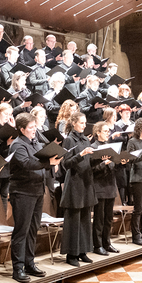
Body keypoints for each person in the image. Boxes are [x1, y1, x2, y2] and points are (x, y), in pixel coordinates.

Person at [8, 112, 61, 283]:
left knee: (32, 229)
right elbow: (27, 163)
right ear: (21, 129)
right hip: (22, 192)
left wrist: (54, 160)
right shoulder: (17, 145)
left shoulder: (36, 142)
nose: (34, 130)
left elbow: (42, 160)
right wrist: (48, 163)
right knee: (21, 231)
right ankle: (18, 268)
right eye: (31, 127)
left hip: (37, 191)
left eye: (34, 127)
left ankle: (29, 263)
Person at [57, 112, 95, 266]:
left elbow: (89, 161)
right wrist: (81, 154)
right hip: (74, 183)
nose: (84, 126)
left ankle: (82, 251)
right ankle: (71, 254)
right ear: (74, 123)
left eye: (85, 123)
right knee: (73, 220)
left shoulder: (86, 139)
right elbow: (66, 164)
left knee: (85, 219)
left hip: (86, 182)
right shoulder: (69, 140)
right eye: (81, 123)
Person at [88, 121, 120, 256]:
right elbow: (91, 169)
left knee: (108, 218)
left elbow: (113, 165)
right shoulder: (93, 147)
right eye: (105, 131)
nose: (108, 133)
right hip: (99, 186)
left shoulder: (110, 146)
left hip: (110, 185)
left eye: (108, 131)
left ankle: (107, 243)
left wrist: (119, 161)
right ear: (98, 132)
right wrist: (104, 163)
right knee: (99, 218)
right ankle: (98, 245)